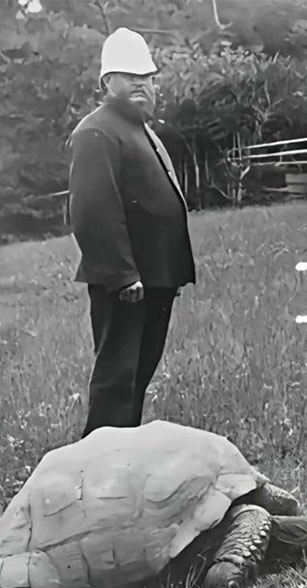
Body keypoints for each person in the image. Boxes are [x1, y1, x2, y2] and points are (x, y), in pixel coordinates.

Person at [69, 29, 195, 434]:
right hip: (127, 281)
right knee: (116, 378)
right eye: (130, 75)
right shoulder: (97, 131)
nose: (142, 82)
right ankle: (98, 467)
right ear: (108, 83)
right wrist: (122, 274)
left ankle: (124, 461)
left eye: (149, 76)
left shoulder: (141, 130)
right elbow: (91, 210)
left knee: (138, 376)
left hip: (156, 277)